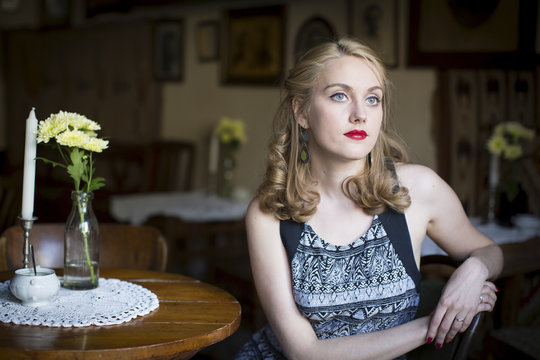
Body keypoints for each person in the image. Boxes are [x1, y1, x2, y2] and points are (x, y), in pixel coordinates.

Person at [235, 37, 502, 360]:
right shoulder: (269, 214)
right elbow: (304, 353)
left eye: (373, 99)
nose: (360, 114)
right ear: (301, 111)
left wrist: (475, 270)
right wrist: (435, 324)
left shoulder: (417, 189)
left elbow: (490, 250)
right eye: (339, 96)